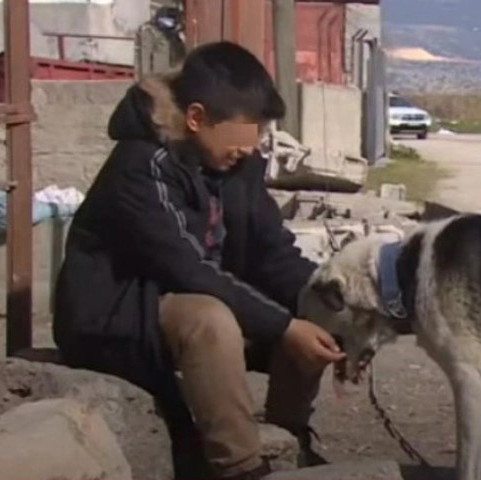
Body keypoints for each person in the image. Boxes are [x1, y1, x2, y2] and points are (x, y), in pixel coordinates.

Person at [52, 41, 344, 480]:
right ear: (196, 117)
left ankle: (287, 439)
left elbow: (273, 251)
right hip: (116, 315)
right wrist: (284, 328)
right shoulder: (141, 165)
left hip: (196, 299)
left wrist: (331, 301)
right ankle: (240, 467)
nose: (253, 145)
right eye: (248, 130)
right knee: (212, 318)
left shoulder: (236, 163)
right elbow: (188, 269)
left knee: (309, 310)